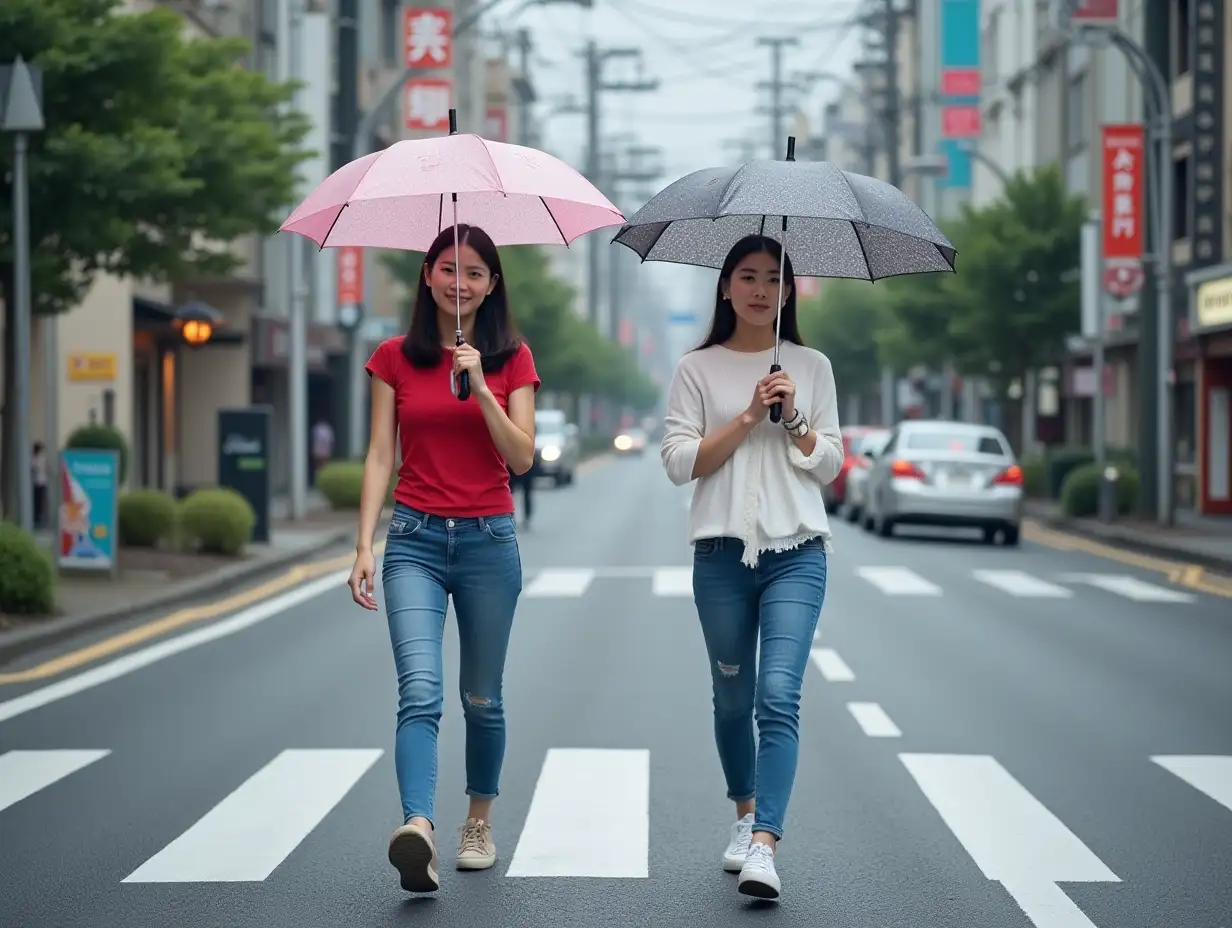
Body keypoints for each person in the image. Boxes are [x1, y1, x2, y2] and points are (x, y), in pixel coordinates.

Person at [347, 223, 540, 895]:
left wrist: (481, 386)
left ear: (492, 288)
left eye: (476, 273)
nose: (461, 281)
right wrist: (365, 542)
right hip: (415, 543)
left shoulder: (513, 359)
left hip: (488, 541)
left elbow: (521, 457)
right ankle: (419, 828)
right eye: (449, 268)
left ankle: (478, 823)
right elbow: (379, 454)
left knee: (481, 699)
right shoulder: (393, 357)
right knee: (420, 693)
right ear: (427, 275)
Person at [659, 234, 843, 902]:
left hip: (797, 554)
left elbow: (830, 464)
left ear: (789, 291)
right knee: (732, 699)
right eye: (747, 276)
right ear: (726, 287)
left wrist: (792, 417)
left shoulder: (811, 367)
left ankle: (766, 841)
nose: (760, 289)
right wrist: (744, 416)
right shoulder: (697, 368)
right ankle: (743, 814)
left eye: (773, 278)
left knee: (778, 697)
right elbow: (681, 463)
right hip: (720, 560)